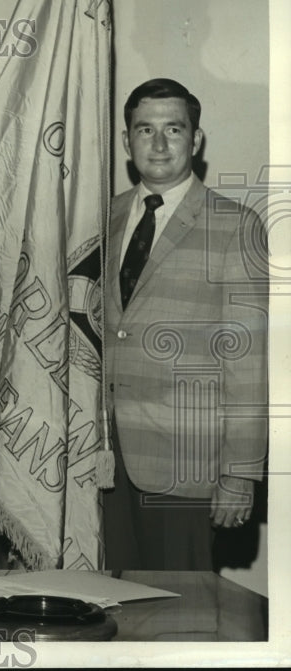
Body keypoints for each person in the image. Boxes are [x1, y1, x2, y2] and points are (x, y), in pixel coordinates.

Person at [103, 78, 268, 570]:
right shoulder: (104, 217)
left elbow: (249, 362)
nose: (157, 144)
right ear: (127, 141)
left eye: (173, 130)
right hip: (105, 461)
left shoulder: (234, 225)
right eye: (144, 129)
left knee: (180, 617)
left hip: (187, 464)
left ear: (195, 140)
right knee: (112, 610)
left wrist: (240, 474)